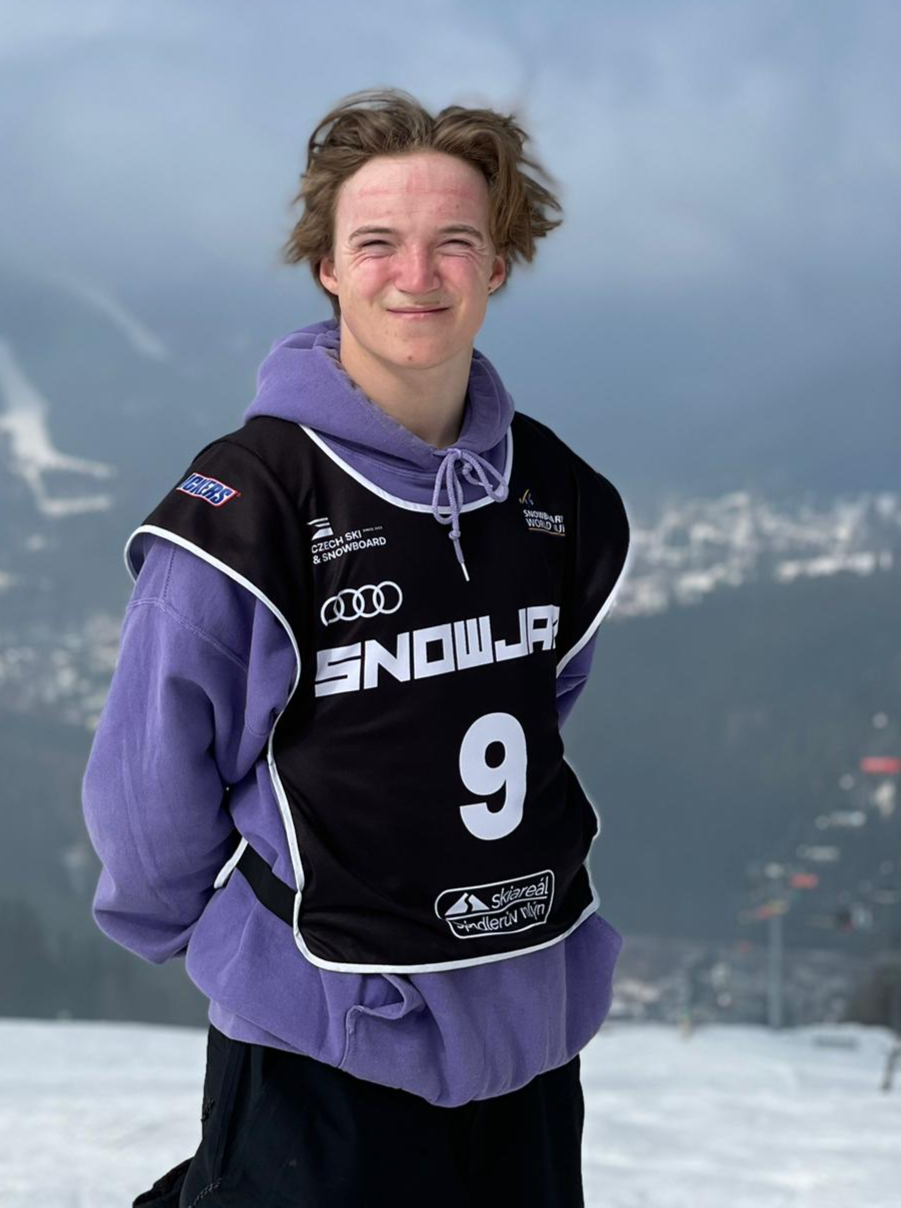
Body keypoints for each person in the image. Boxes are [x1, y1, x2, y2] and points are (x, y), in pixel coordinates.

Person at [82, 86, 630, 1207]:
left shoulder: (558, 491)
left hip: (529, 1021)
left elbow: (542, 693)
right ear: (327, 266)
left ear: (498, 264)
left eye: (454, 241)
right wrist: (230, 946)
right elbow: (151, 776)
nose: (415, 274)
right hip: (323, 1031)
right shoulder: (250, 505)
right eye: (377, 242)